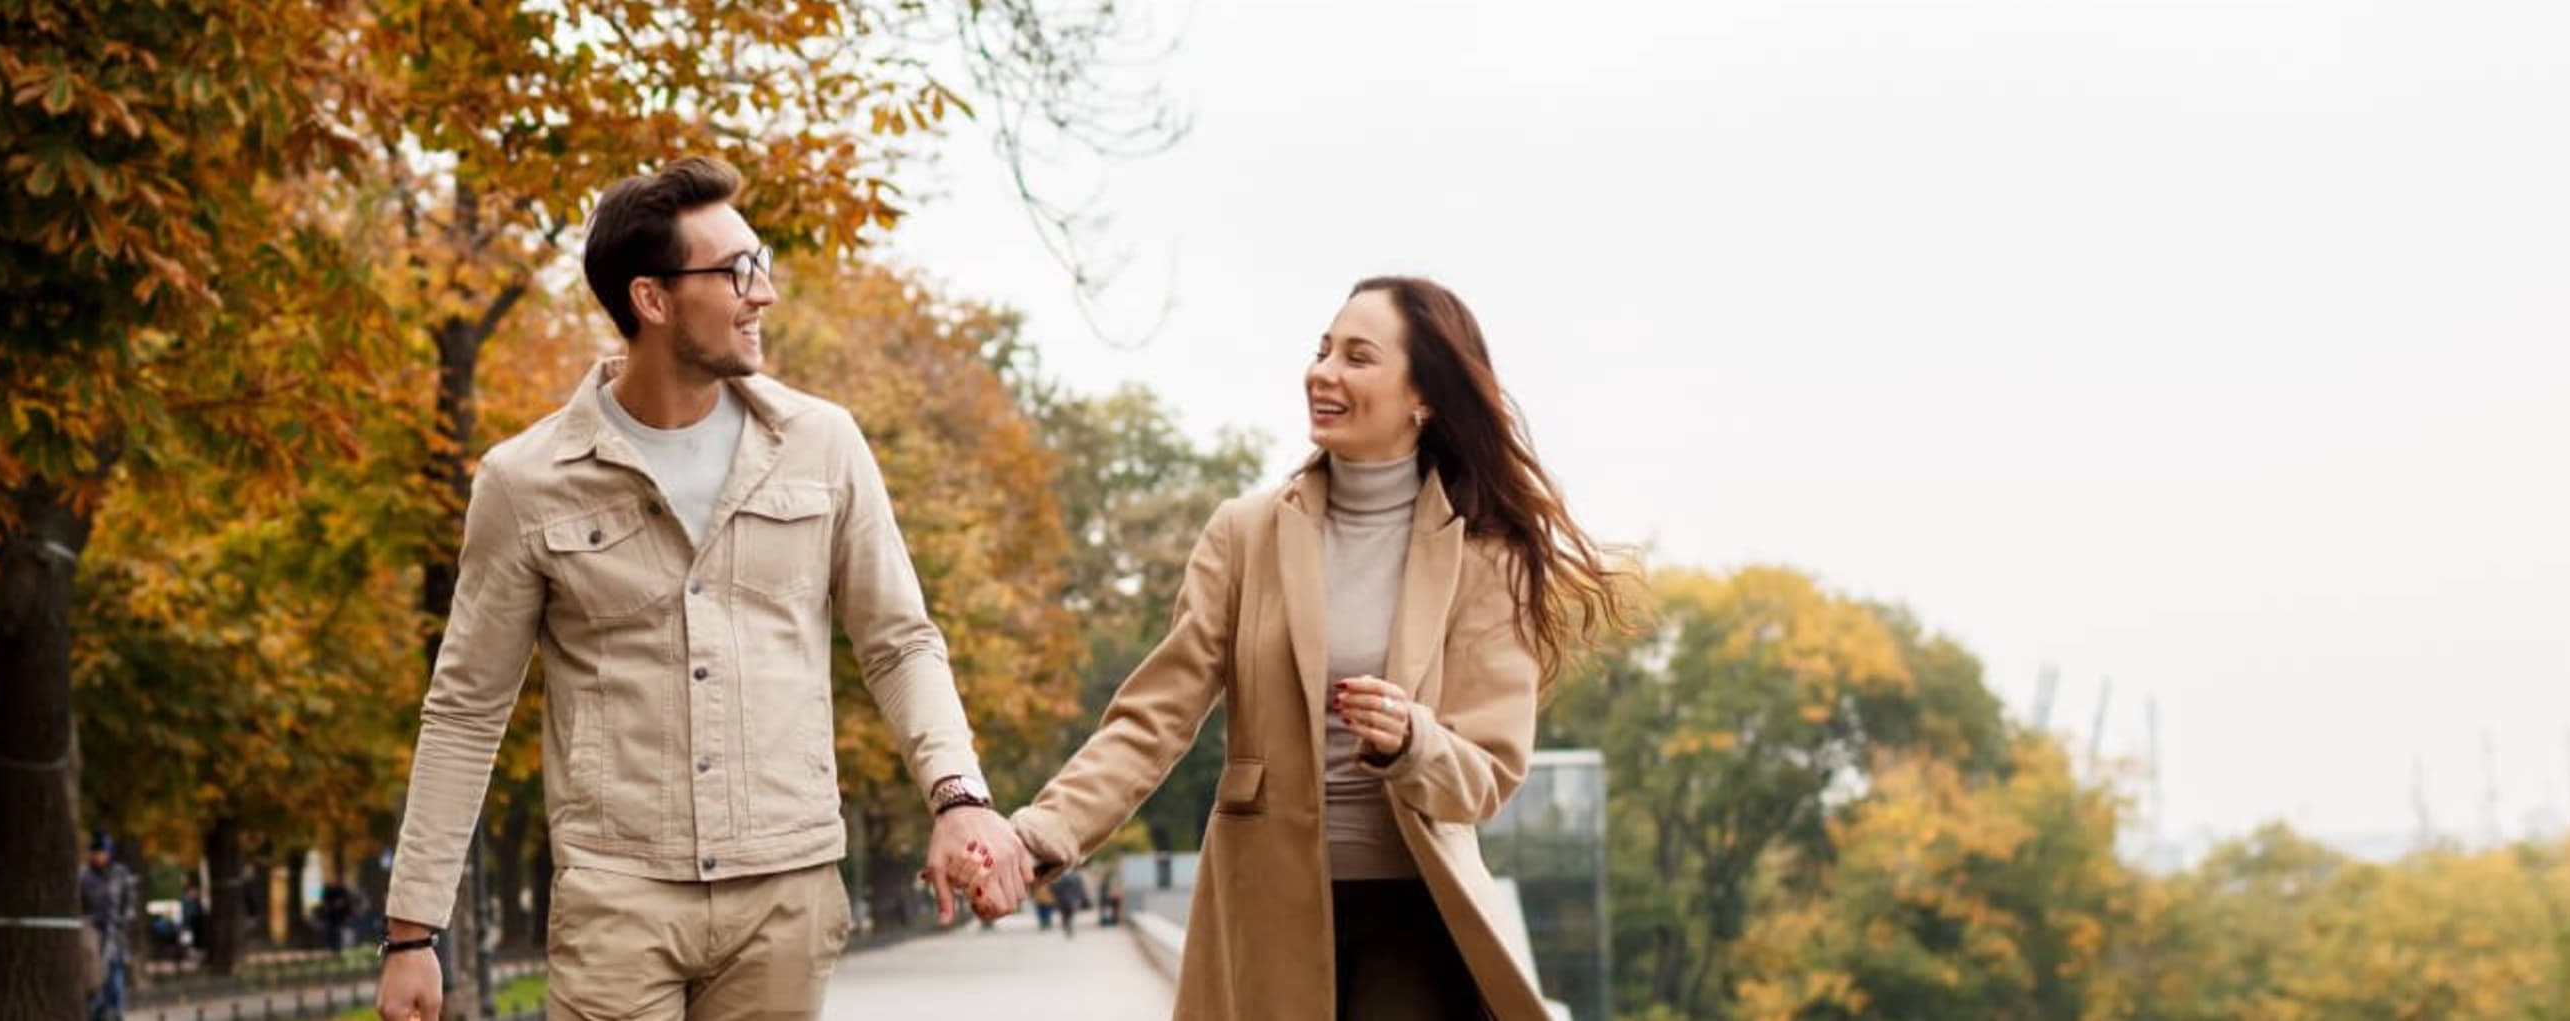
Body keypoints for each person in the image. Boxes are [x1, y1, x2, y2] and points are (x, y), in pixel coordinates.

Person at [372, 156, 1030, 1021]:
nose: (763, 293)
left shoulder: (822, 445)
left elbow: (900, 640)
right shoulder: (525, 481)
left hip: (784, 893)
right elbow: (465, 708)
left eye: (760, 264)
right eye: (735, 272)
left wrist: (959, 796)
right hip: (617, 899)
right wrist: (412, 932)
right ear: (652, 299)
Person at [999, 277, 1629, 1020]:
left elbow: (1484, 776)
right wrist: (1044, 830)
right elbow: (1150, 720)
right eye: (1322, 350)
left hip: (1415, 919)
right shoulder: (1244, 534)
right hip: (1263, 912)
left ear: (1422, 397)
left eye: (1358, 357)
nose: (1323, 372)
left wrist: (1412, 739)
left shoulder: (1489, 558)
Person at [79, 835, 139, 1021]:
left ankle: (116, 1014)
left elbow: (130, 903)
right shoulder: (84, 875)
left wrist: (121, 919)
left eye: (102, 852)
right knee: (94, 982)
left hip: (115, 937)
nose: (98, 857)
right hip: (93, 938)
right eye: (95, 853)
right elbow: (79, 904)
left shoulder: (120, 874)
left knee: (115, 979)